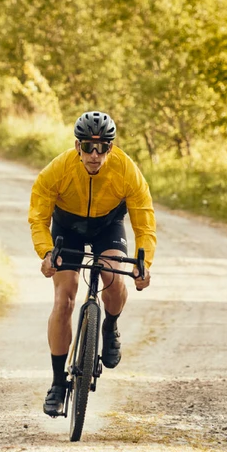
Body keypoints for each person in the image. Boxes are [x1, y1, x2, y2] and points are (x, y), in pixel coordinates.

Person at [28, 111, 155, 417]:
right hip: (68, 227)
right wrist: (47, 253)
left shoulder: (126, 170)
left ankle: (110, 326)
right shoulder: (57, 170)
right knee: (65, 298)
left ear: (111, 147)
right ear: (77, 146)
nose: (95, 155)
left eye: (102, 148)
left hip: (107, 226)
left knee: (114, 278)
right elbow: (38, 218)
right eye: (88, 147)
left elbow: (144, 223)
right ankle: (58, 384)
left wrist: (143, 263)